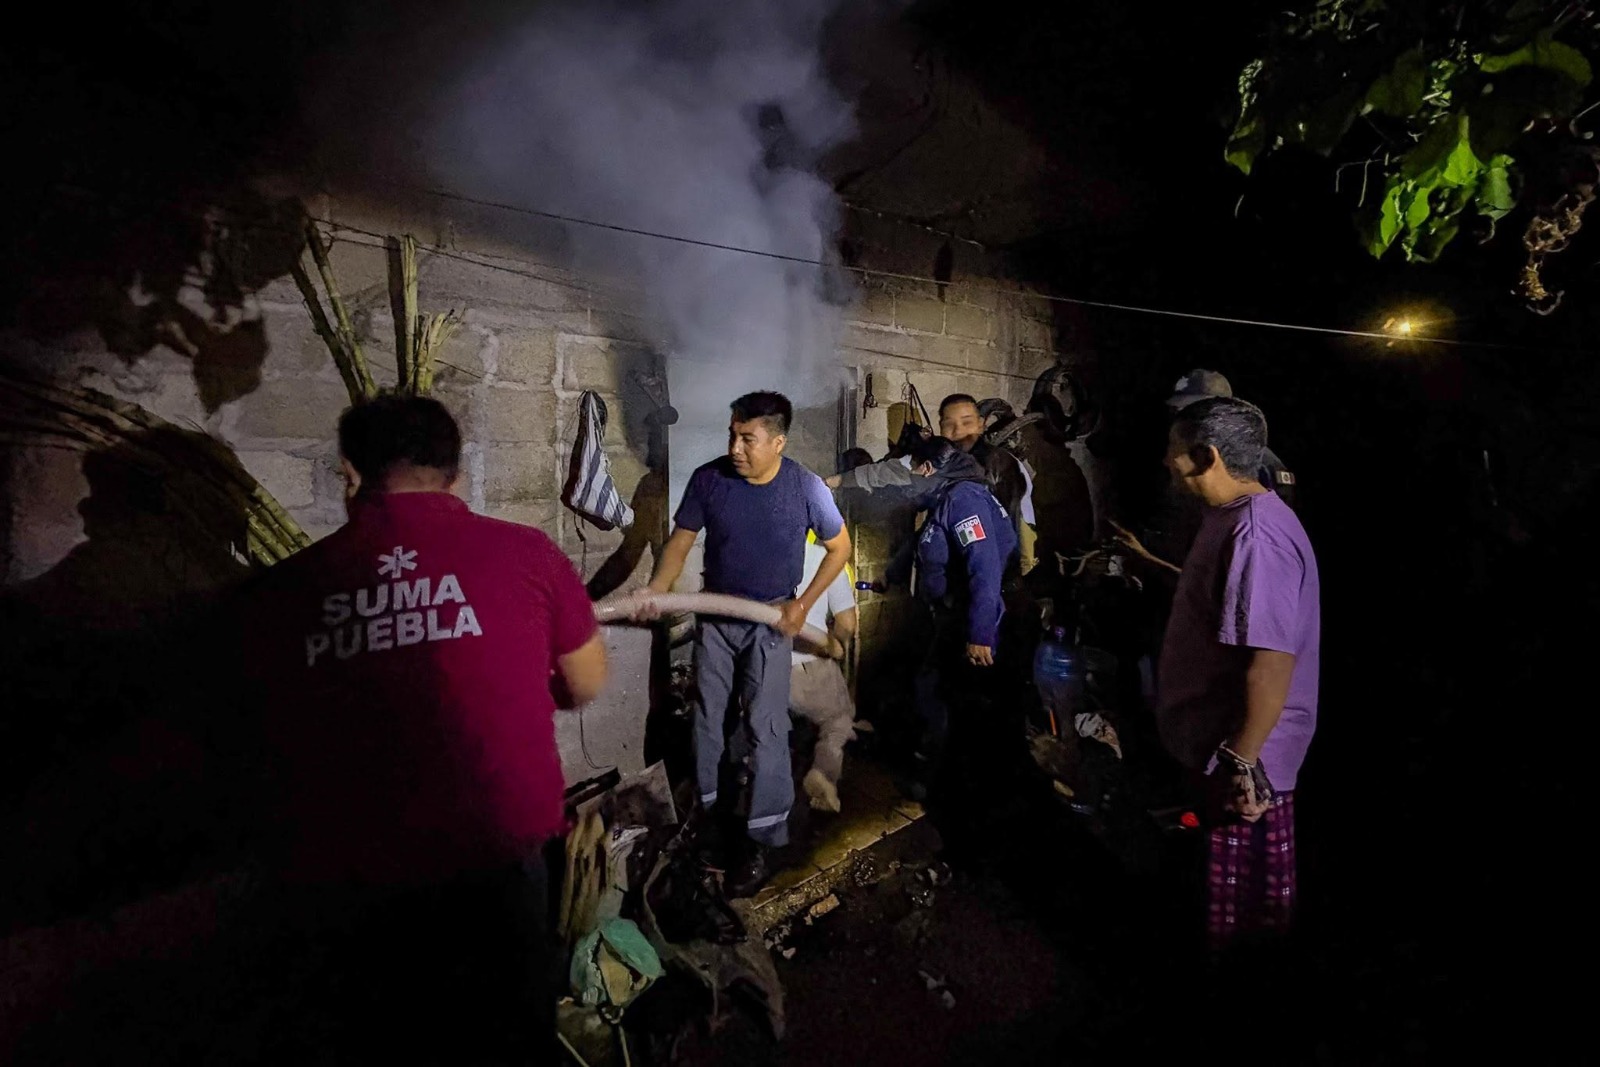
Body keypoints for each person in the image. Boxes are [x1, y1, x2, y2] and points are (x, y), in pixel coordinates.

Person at [243, 394, 607, 1063]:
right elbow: (584, 682)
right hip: (498, 860)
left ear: (350, 471)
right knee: (509, 1036)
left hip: (351, 876)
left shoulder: (286, 590)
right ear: (454, 472)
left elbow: (265, 731)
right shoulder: (529, 554)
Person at [628, 391, 850, 897]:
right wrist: (656, 592)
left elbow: (839, 549)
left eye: (747, 438)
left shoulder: (805, 488)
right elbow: (681, 541)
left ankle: (763, 836)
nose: (735, 447)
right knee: (707, 716)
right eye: (732, 434)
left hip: (771, 621)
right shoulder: (711, 480)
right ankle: (705, 816)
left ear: (777, 441)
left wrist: (801, 605)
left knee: (766, 724)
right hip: (717, 616)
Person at [1154, 397, 1320, 952]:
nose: (1165, 462)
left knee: (1243, 918)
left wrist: (1243, 763)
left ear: (1206, 455)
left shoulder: (1257, 535)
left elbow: (1270, 665)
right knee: (1214, 900)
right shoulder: (1231, 520)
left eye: (1173, 451)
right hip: (1221, 749)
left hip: (1244, 764)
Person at [905, 435, 1019, 802]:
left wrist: (980, 634)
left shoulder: (963, 499)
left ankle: (949, 786)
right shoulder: (946, 500)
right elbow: (925, 545)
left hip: (970, 619)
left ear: (927, 469)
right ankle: (943, 777)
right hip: (954, 617)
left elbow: (984, 569)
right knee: (936, 690)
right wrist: (888, 576)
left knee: (946, 697)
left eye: (913, 473)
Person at [1116, 368, 1298, 577]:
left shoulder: (1263, 465)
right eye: (1178, 411)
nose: (1182, 417)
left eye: (1192, 409)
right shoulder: (1181, 454)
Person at [828, 394, 1036, 572]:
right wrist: (836, 481)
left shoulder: (1003, 465)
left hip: (990, 567)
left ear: (980, 424)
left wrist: (1017, 575)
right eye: (949, 424)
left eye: (967, 422)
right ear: (940, 426)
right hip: (945, 568)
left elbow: (1022, 520)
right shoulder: (936, 456)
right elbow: (888, 472)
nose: (958, 431)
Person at [789, 533, 860, 814]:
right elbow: (847, 623)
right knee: (838, 719)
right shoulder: (824, 558)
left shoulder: (754, 553)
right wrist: (833, 646)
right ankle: (823, 773)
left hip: (762, 664)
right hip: (808, 664)